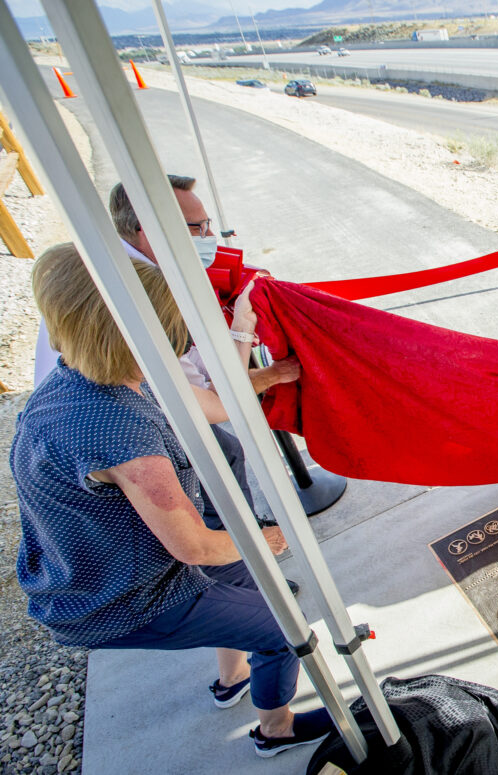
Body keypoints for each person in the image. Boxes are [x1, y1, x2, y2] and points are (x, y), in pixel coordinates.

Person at [12, 244, 328, 758]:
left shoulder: (79, 381)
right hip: (122, 596)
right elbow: (194, 547)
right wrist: (271, 538)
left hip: (105, 562)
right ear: (133, 336)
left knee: (248, 580)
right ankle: (276, 729)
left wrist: (266, 365)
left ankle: (232, 679)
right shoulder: (119, 429)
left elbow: (212, 405)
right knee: (282, 624)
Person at [35, 175, 298, 531]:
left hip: (110, 410)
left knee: (226, 454)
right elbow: (212, 405)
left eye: (207, 225)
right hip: (117, 428)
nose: (209, 236)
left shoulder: (122, 265)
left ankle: (240, 534)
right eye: (197, 228)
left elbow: (198, 364)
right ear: (150, 231)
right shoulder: (138, 294)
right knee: (209, 476)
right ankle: (239, 547)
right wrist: (246, 334)